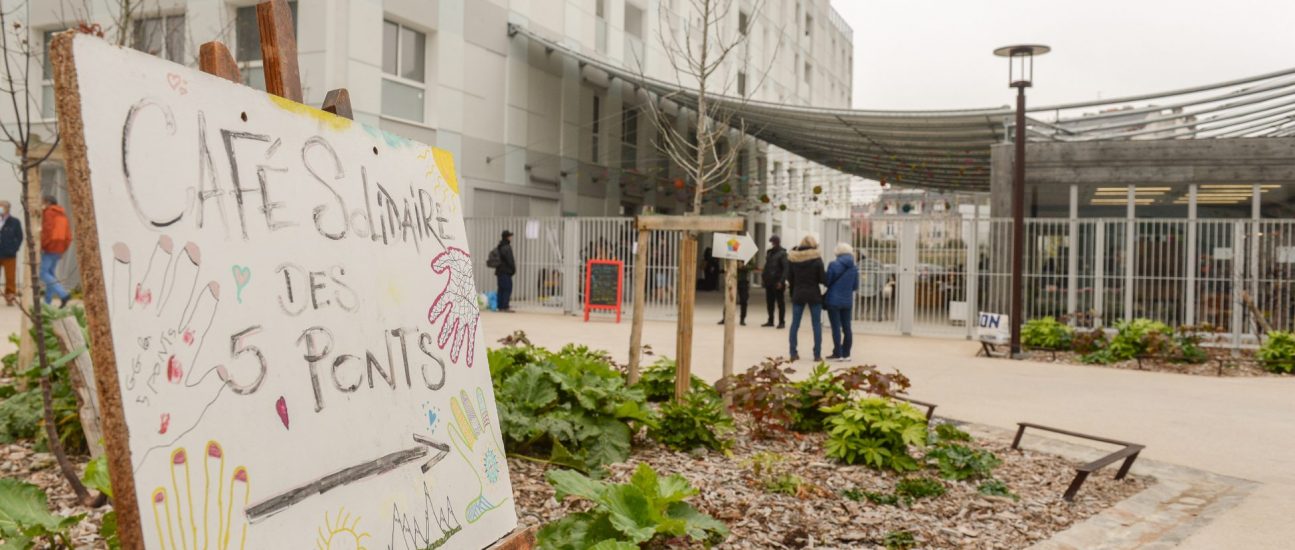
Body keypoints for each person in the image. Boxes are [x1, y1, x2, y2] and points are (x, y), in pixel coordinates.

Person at [786, 234, 825, 362]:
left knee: (795, 324)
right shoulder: (817, 259)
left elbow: (789, 277)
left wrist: (793, 290)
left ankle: (793, 352)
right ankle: (817, 354)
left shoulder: (793, 259)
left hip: (798, 293)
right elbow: (822, 279)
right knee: (816, 324)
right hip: (814, 293)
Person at [824, 243, 859, 361]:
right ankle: (846, 354)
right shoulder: (854, 267)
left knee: (835, 327)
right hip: (847, 301)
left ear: (837, 252)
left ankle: (837, 353)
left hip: (833, 301)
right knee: (847, 327)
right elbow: (855, 286)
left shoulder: (833, 264)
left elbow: (827, 282)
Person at [40, 195, 72, 307]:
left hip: (50, 247)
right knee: (51, 274)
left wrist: (41, 245)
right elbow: (68, 235)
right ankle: (47, 303)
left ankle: (63, 294)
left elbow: (47, 230)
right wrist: (64, 248)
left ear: (47, 202)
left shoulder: (48, 212)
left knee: (42, 272)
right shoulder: (62, 213)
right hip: (60, 247)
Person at [761, 235, 789, 328]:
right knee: (769, 302)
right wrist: (764, 278)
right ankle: (770, 320)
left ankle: (781, 322)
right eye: (770, 242)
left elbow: (786, 269)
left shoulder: (783, 253)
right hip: (769, 281)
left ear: (776, 242)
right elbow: (767, 267)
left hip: (778, 282)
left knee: (780, 303)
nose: (771, 244)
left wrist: (781, 281)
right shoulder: (769, 253)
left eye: (772, 242)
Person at [717, 260, 753, 326]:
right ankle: (725, 318)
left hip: (743, 281)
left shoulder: (747, 256)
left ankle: (742, 319)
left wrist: (743, 266)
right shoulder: (732, 253)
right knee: (728, 299)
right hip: (732, 279)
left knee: (744, 300)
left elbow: (752, 267)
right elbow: (727, 265)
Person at [0, 201, 21, 306]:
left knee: (10, 277)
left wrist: (14, 248)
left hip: (9, 254)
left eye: (2, 207)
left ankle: (10, 296)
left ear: (7, 208)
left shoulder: (14, 222)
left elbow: (19, 237)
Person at [493, 230, 516, 312]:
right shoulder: (506, 247)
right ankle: (505, 306)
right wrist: (513, 269)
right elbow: (510, 260)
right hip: (505, 272)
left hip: (500, 272)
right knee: (507, 288)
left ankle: (500, 306)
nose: (511, 237)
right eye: (510, 236)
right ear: (507, 237)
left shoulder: (500, 246)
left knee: (501, 289)